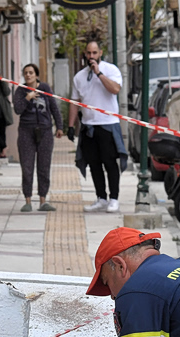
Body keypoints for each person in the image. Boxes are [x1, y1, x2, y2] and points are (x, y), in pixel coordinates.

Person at [67, 41, 127, 214]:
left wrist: (98, 73)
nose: (91, 56)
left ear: (100, 53)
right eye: (88, 53)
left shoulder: (111, 70)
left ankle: (114, 198)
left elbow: (115, 89)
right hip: (88, 126)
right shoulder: (79, 77)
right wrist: (71, 126)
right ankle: (101, 198)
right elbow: (74, 102)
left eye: (94, 53)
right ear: (85, 55)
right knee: (93, 164)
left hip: (108, 124)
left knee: (110, 163)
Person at [13, 64, 64, 212]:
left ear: (36, 75)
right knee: (27, 167)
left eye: (31, 73)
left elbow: (54, 107)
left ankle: (43, 200)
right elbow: (17, 109)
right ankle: (27, 200)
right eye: (25, 73)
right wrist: (27, 97)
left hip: (45, 131)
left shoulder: (45, 88)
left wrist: (59, 126)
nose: (28, 75)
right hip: (26, 132)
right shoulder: (21, 91)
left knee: (44, 167)